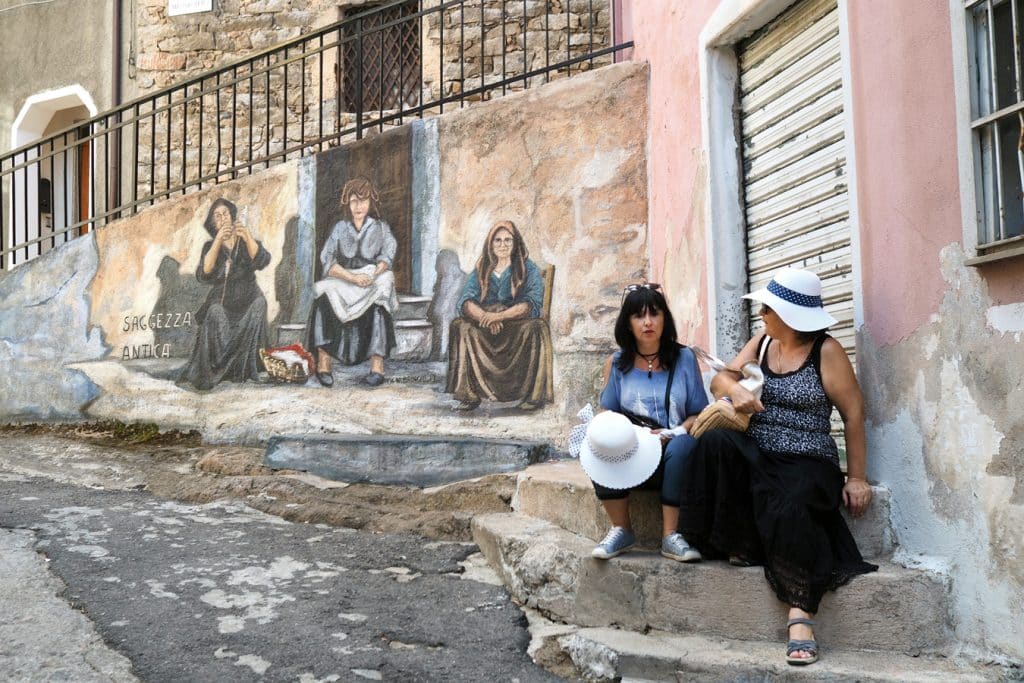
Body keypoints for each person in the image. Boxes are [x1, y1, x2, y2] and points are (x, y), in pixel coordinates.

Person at [676, 267, 877, 666]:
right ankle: (739, 543)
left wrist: (856, 477)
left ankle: (801, 613)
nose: (762, 314)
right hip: (760, 451)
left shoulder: (827, 351)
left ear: (789, 315)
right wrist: (734, 389)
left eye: (767, 309)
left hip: (809, 459)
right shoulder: (764, 340)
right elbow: (721, 380)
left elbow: (853, 413)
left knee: (791, 499)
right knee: (714, 441)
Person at [585, 283, 709, 562]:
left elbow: (698, 413)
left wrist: (672, 432)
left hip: (673, 455)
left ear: (665, 318)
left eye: (655, 314)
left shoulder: (685, 358)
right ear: (628, 323)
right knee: (596, 441)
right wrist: (629, 433)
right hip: (633, 453)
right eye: (639, 316)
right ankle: (621, 529)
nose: (648, 322)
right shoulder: (618, 363)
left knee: (685, 443)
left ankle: (671, 536)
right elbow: (609, 413)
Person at [446, 220, 553, 411]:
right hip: (486, 325)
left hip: (515, 325)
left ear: (515, 243)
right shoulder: (482, 268)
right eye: (497, 240)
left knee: (537, 327)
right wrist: (485, 317)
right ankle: (468, 394)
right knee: (460, 326)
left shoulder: (528, 268)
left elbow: (531, 304)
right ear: (490, 243)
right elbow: (466, 301)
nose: (502, 245)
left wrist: (500, 316)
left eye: (508, 240)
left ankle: (533, 396)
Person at [306, 177, 398, 388]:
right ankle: (324, 364)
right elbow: (328, 261)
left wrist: (372, 276)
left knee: (381, 296)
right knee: (323, 296)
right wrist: (353, 278)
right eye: (354, 200)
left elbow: (387, 256)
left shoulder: (380, 228)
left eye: (363, 201)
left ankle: (377, 366)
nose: (359, 206)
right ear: (347, 202)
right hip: (346, 278)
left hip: (371, 278)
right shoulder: (340, 228)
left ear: (370, 203)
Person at [179, 198, 271, 390]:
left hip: (248, 299)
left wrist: (246, 236)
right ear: (214, 223)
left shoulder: (246, 241)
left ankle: (248, 368)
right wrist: (219, 241)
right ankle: (217, 369)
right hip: (223, 303)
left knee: (260, 303)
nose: (222, 219)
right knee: (214, 312)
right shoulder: (210, 247)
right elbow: (205, 273)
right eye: (217, 216)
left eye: (225, 214)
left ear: (232, 216)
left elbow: (262, 260)